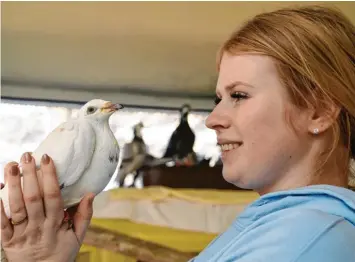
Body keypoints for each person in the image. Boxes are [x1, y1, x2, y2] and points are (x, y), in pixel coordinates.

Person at [1, 4, 355, 262]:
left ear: (319, 111)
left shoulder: (305, 243)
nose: (212, 119)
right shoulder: (271, 225)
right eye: (218, 99)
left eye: (239, 96)